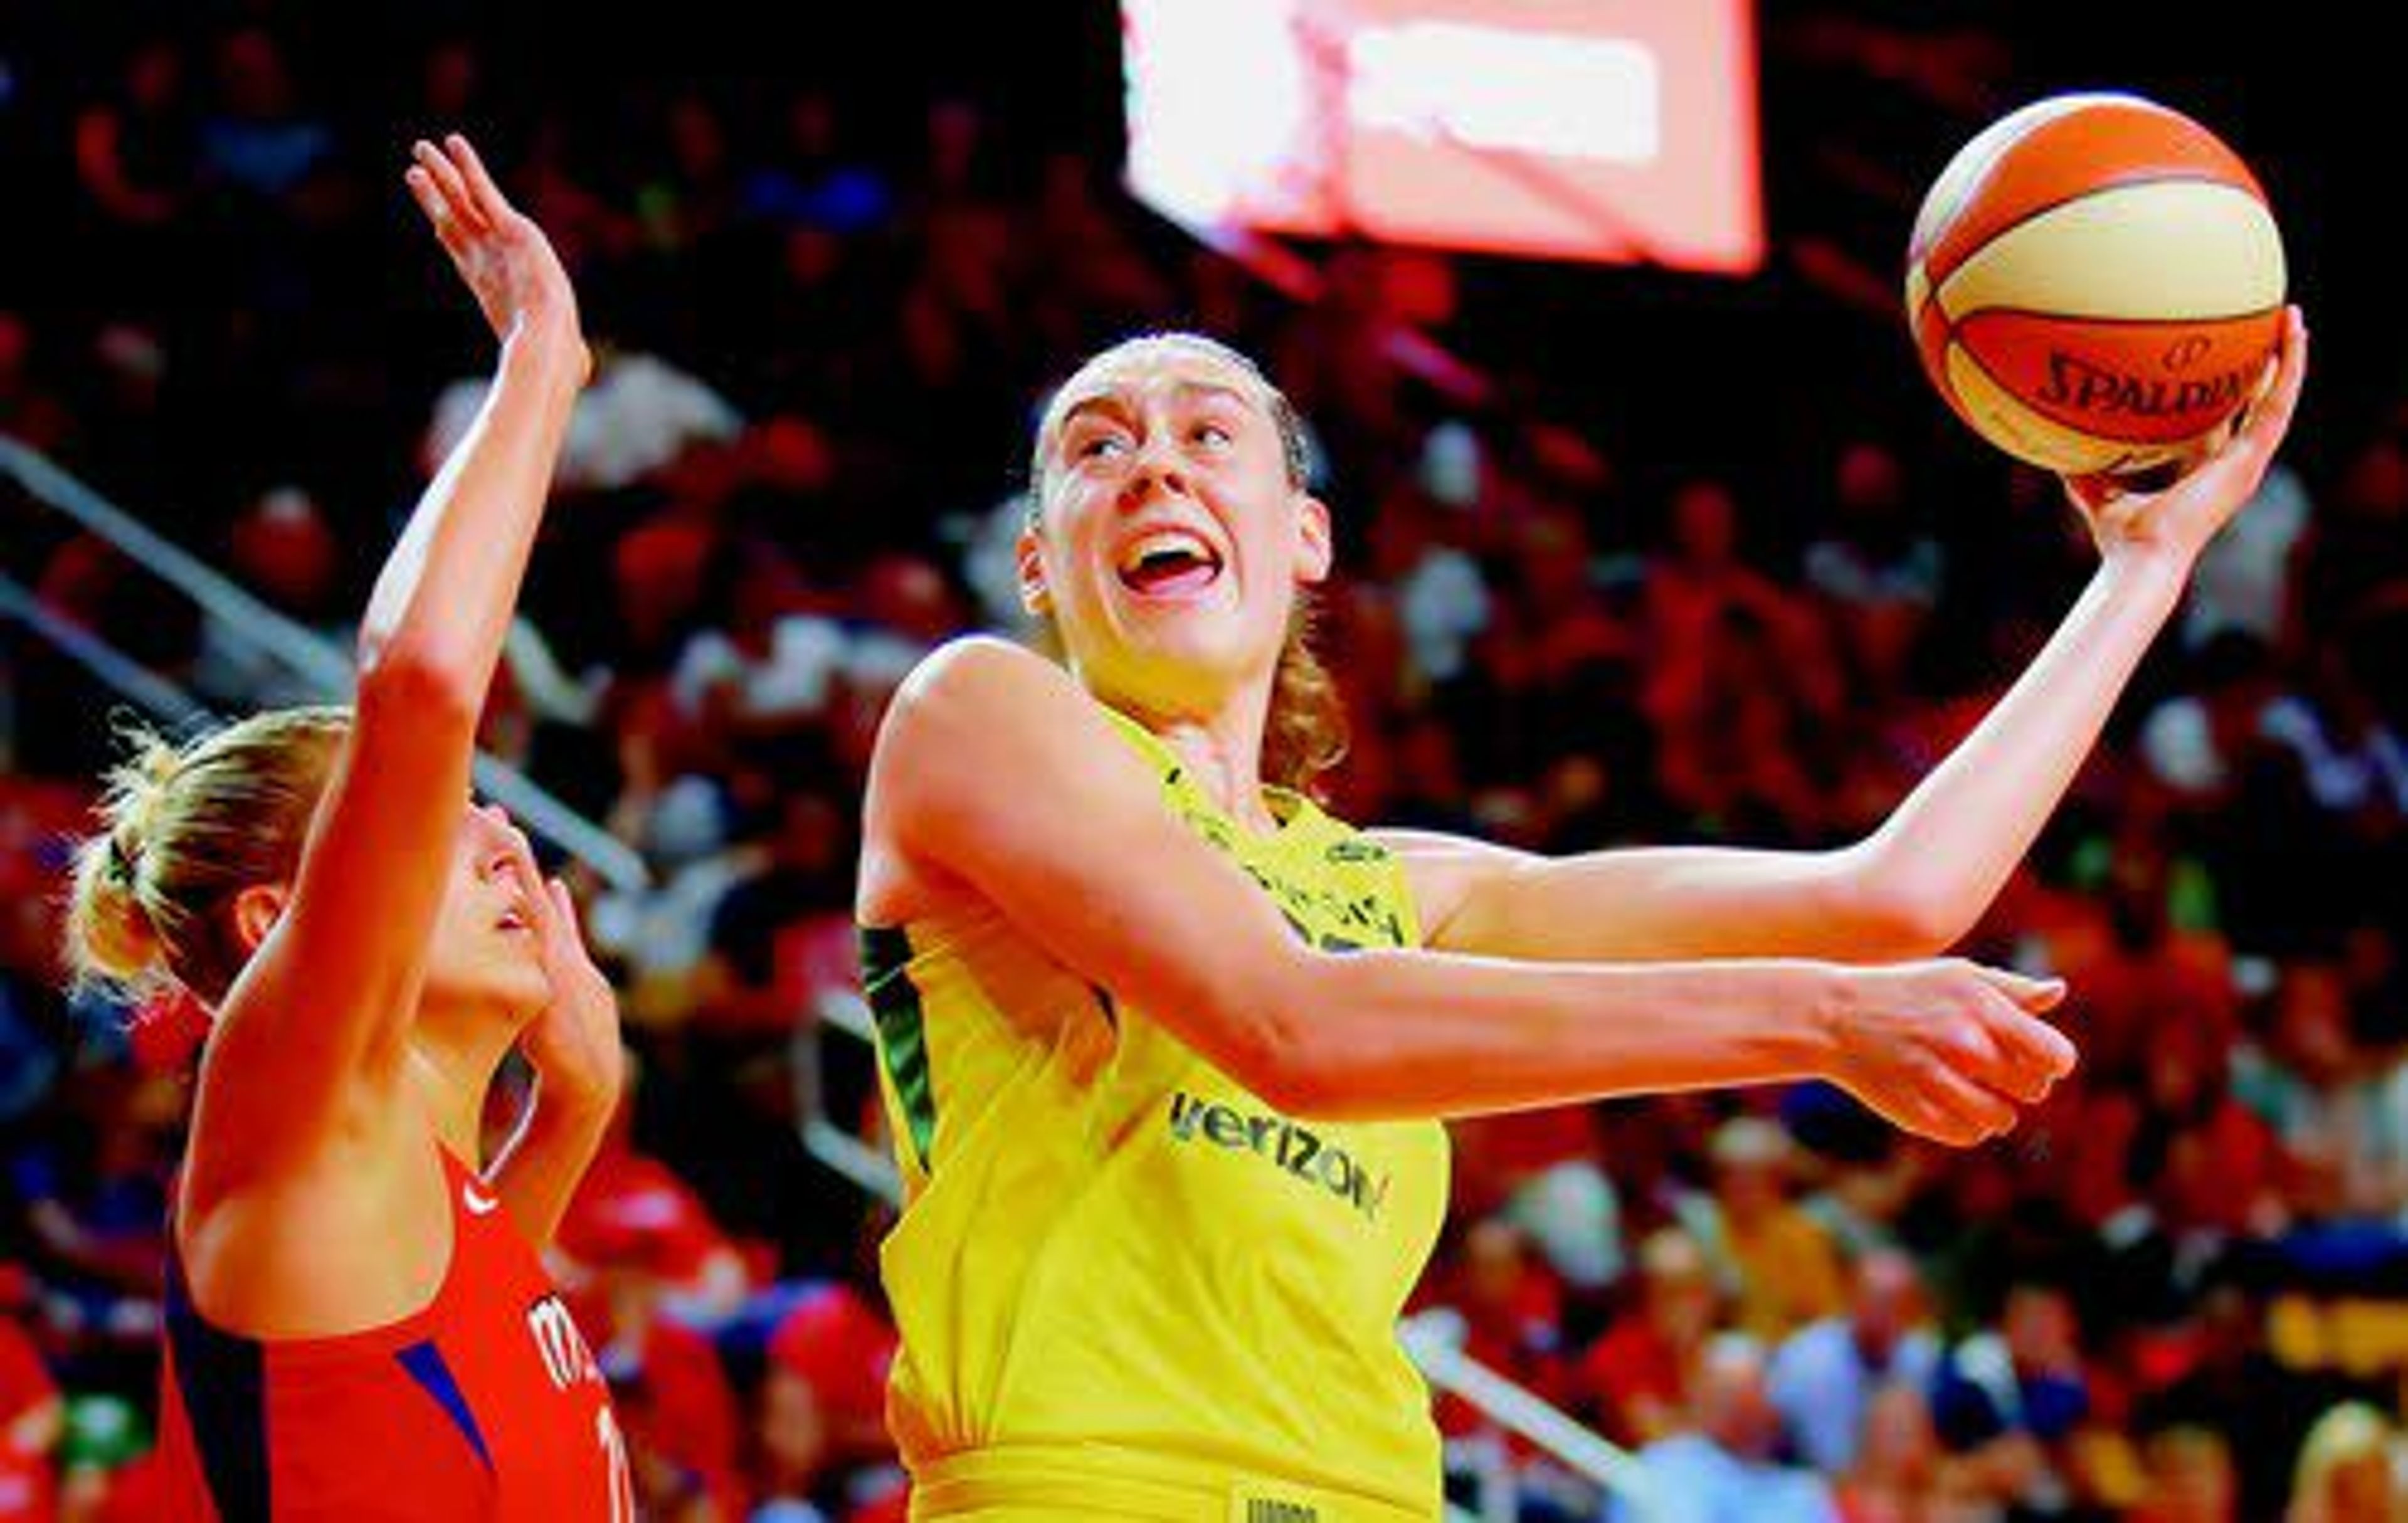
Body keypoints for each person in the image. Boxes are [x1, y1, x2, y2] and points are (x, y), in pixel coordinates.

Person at [852, 314, 2305, 1517]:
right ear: (1041, 559)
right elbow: (1295, 1026)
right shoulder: (975, 716)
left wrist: (2143, 570)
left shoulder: (1395, 888)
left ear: (1303, 537)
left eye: (1205, 435)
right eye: (1099, 448)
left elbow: (1889, 896)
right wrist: (1813, 1021)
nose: (1153, 468)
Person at [60, 135, 628, 1520]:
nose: (504, 839)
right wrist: (543, 362)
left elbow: (415, 1378)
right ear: (275, 926)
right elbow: (423, 682)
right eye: (437, 816)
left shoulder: (413, 1214)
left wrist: (569, 1114)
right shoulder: (286, 1104)